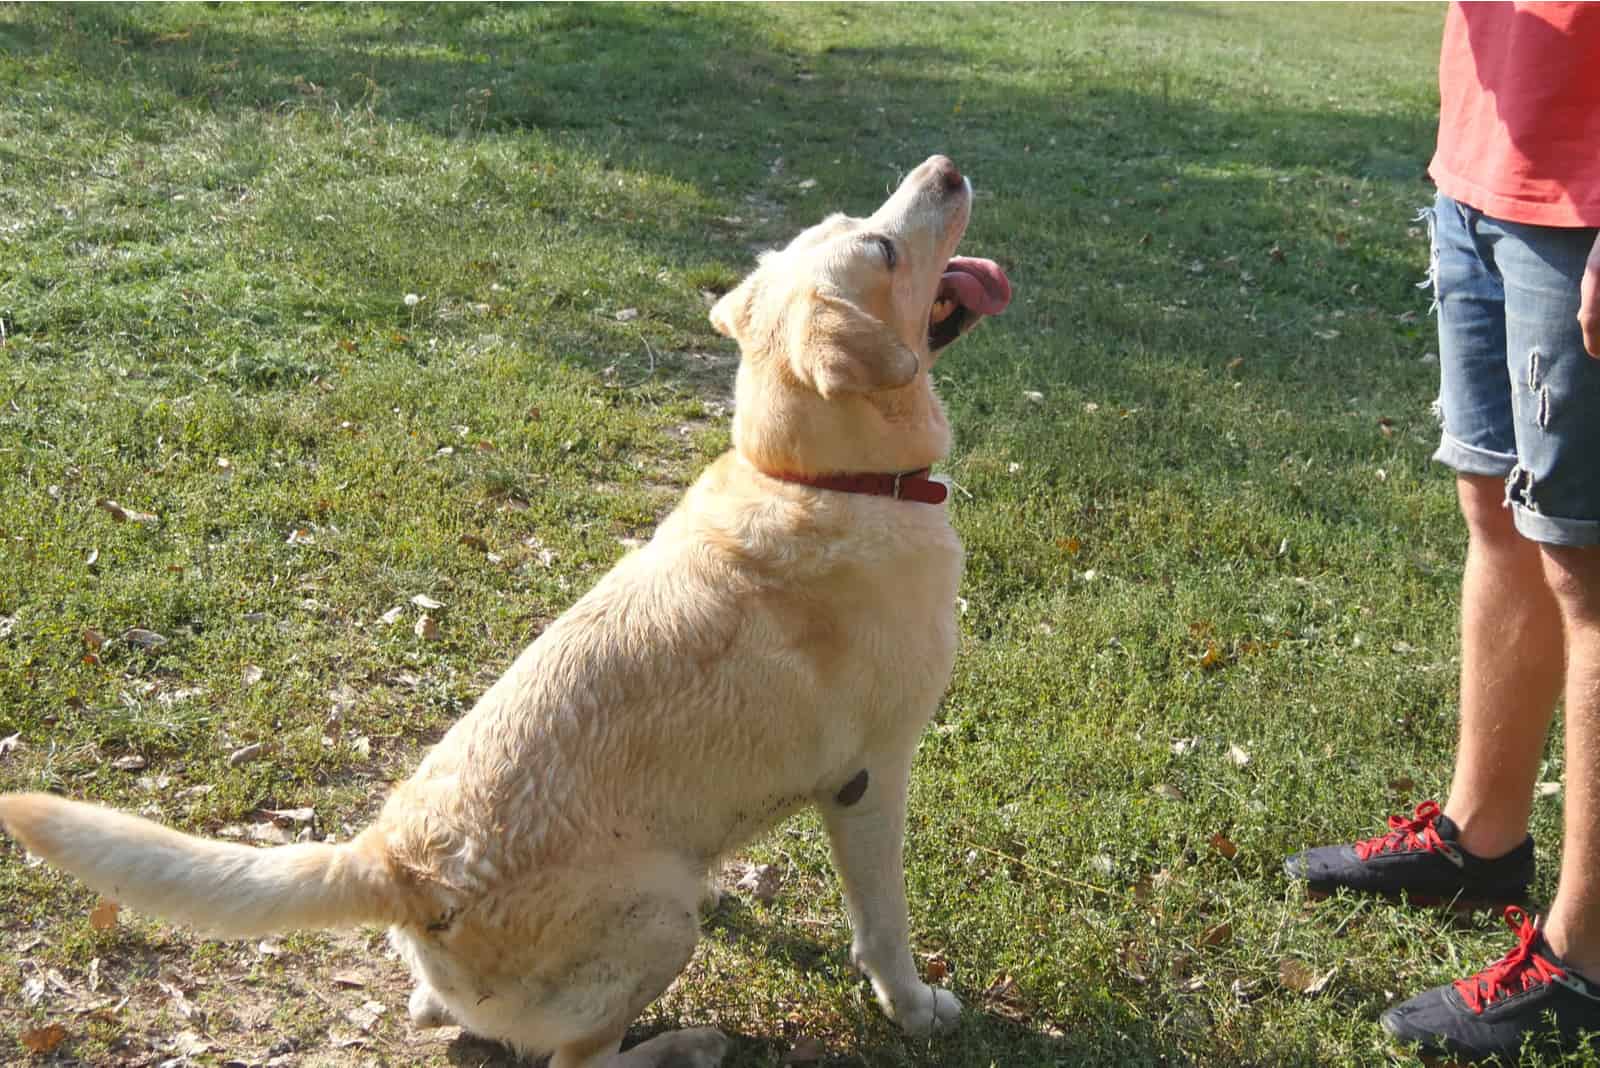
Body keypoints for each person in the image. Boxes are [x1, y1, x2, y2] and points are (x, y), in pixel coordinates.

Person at [1282, 2, 1600, 1062]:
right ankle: (1481, 842)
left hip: (1588, 195)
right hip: (1487, 156)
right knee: (1498, 513)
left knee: (1591, 569)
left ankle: (1588, 958)